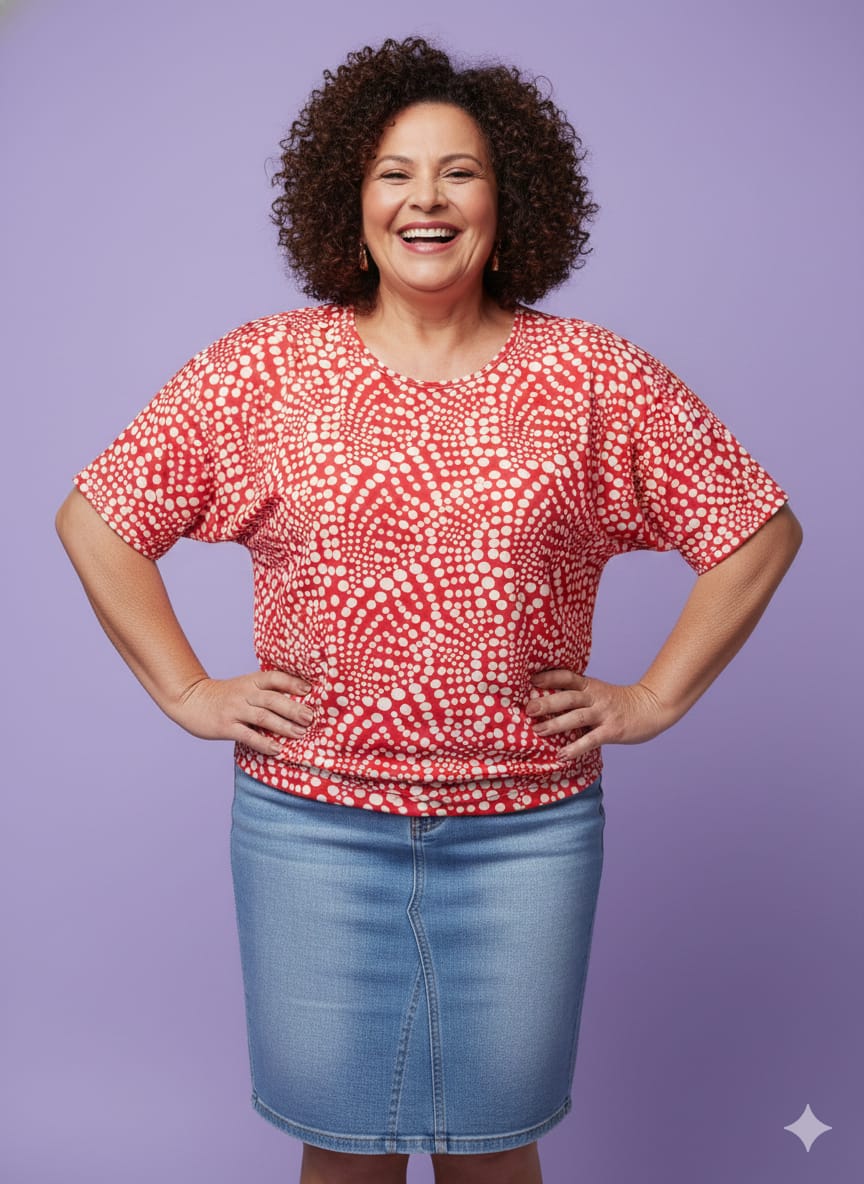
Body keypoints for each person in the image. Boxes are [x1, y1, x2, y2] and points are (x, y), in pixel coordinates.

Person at [55, 36, 802, 1184]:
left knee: (495, 1152)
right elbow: (99, 517)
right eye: (394, 172)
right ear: (349, 200)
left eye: (461, 172)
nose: (427, 199)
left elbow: (755, 527)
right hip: (310, 829)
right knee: (345, 1152)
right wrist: (186, 688)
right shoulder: (266, 371)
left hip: (527, 834)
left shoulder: (592, 378)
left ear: (510, 200)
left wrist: (654, 697)